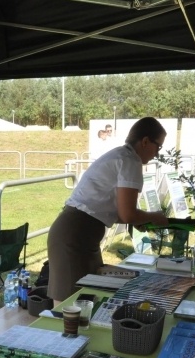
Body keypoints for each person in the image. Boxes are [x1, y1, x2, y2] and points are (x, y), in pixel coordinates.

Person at [47, 117, 169, 301]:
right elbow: (128, 214)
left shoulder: (122, 156)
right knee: (71, 305)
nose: (157, 154)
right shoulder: (130, 160)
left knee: (86, 300)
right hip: (75, 235)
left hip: (77, 232)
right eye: (158, 146)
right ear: (145, 141)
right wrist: (155, 217)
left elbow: (115, 210)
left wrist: (139, 218)